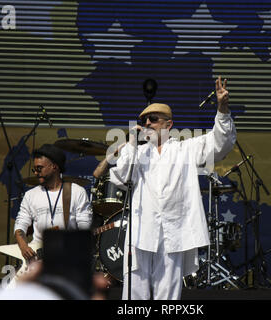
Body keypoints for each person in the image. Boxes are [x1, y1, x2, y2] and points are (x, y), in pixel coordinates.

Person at [95, 76, 236, 300]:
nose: (147, 123)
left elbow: (220, 142)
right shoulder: (138, 153)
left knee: (168, 293)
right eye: (144, 120)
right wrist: (131, 144)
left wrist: (223, 108)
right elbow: (122, 177)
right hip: (141, 230)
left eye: (153, 119)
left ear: (168, 125)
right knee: (134, 291)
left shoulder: (185, 149)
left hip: (173, 230)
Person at [14, 144, 93, 262]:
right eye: (34, 169)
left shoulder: (76, 192)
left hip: (67, 256)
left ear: (54, 167)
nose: (35, 173)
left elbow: (84, 228)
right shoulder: (30, 195)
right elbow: (20, 225)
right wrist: (24, 247)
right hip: (36, 256)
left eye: (39, 168)